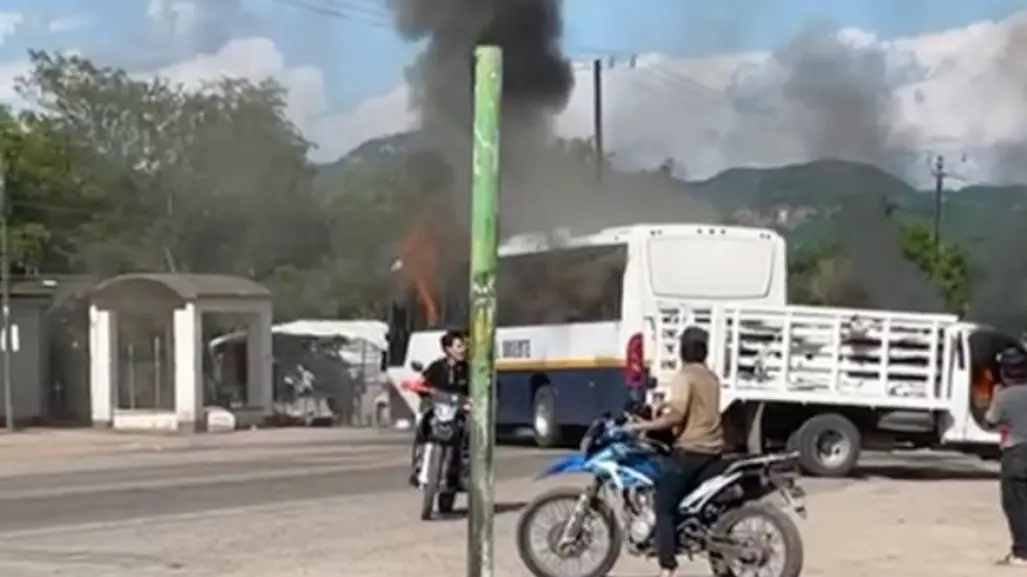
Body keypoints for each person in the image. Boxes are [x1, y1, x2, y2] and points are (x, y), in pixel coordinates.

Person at [623, 327, 725, 577]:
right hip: (712, 450)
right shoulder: (710, 377)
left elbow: (677, 416)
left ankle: (667, 567)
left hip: (692, 451)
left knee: (663, 506)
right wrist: (662, 408)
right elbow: (691, 409)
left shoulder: (685, 376)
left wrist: (640, 425)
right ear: (705, 351)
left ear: (682, 351)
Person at [409, 329, 469, 486]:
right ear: (448, 349)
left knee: (468, 434)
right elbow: (422, 383)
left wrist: (471, 402)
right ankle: (418, 465)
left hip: (458, 412)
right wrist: (420, 389)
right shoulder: (436, 367)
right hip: (437, 410)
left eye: (463, 346)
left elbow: (475, 390)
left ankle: (463, 470)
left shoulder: (467, 370)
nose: (463, 349)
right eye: (459, 346)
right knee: (421, 427)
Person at [985, 347, 1027, 566]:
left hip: (1017, 454)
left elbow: (990, 421)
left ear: (1005, 372)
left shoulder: (1004, 396)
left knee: (1016, 504)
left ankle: (1022, 553)